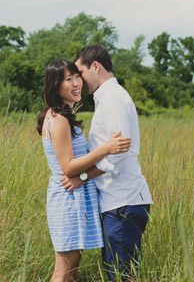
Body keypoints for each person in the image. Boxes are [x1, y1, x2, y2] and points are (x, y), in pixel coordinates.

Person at [60, 45, 153, 281]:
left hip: (122, 201)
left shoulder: (112, 98)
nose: (79, 81)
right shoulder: (108, 97)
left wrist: (81, 178)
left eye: (80, 73)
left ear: (95, 66)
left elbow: (118, 154)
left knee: (121, 276)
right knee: (119, 272)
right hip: (118, 202)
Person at [37, 59, 132, 282]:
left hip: (74, 198)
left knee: (69, 270)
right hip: (68, 197)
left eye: (77, 76)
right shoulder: (58, 119)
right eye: (67, 79)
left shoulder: (61, 116)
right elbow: (68, 167)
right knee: (64, 271)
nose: (76, 83)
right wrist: (105, 149)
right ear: (55, 86)